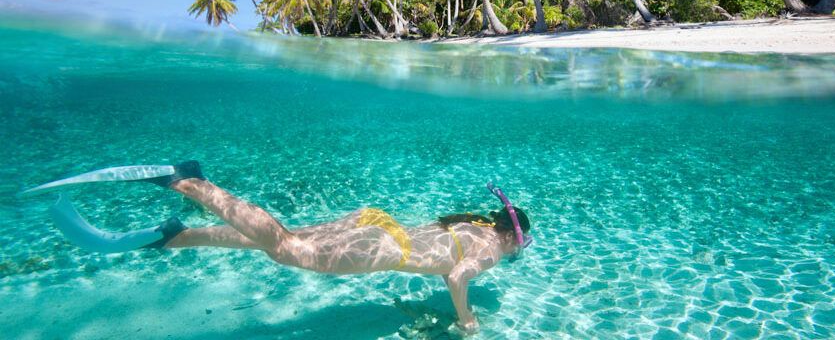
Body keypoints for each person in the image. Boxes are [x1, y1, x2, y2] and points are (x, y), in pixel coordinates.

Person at [25, 161, 532, 333]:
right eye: (519, 245)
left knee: (271, 243)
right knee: (287, 248)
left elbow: (441, 255)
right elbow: (458, 275)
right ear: (511, 234)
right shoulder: (490, 245)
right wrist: (466, 322)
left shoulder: (466, 223)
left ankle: (179, 236)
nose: (513, 252)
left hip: (375, 221)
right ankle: (190, 183)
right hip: (383, 247)